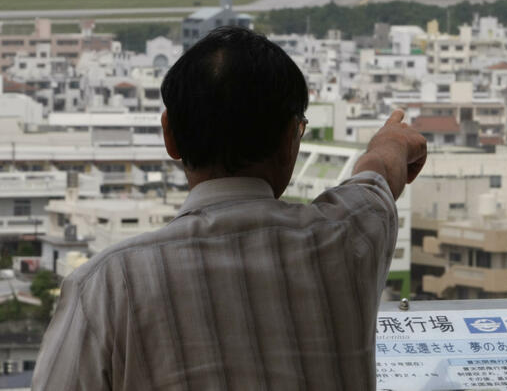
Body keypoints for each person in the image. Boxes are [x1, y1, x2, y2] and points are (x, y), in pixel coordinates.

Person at [32, 27, 427, 390]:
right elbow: (378, 175)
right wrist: (392, 141)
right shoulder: (349, 236)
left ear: (170, 136)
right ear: (292, 139)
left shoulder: (108, 285)